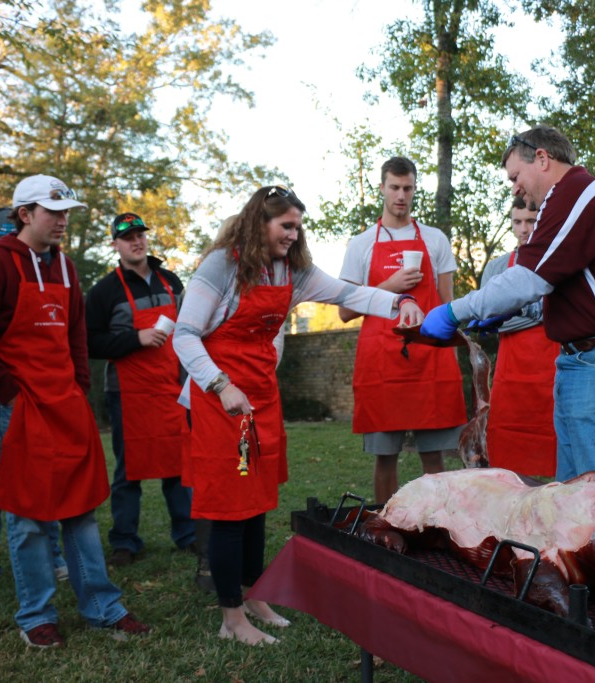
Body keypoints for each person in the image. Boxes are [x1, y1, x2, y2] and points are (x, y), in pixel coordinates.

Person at [172, 185, 424, 646]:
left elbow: (350, 293)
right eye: (285, 225)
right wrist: (221, 384)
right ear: (259, 223)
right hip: (218, 399)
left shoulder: (294, 271)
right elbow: (185, 335)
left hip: (261, 396)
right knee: (231, 508)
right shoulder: (222, 266)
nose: (293, 234)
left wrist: (399, 302)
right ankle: (231, 617)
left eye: (297, 226)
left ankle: (253, 594)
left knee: (258, 503)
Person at [0, 175, 150, 648]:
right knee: (26, 516)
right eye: (53, 211)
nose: (63, 220)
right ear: (24, 214)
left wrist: (79, 392)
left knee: (81, 510)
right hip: (18, 407)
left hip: (65, 405)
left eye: (66, 212)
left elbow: (77, 342)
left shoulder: (66, 268)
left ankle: (103, 607)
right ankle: (36, 615)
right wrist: (9, 395)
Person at [420, 125, 595, 481]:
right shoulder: (569, 199)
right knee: (575, 496)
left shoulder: (578, 193)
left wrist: (455, 310)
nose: (515, 187)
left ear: (543, 158)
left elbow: (529, 277)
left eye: (516, 175)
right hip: (590, 361)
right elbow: (561, 280)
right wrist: (507, 310)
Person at [338, 156, 466, 504]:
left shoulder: (436, 240)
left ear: (414, 190)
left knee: (434, 456)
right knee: (385, 455)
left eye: (407, 188)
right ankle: (386, 523)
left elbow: (446, 302)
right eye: (394, 187)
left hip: (429, 357)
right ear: (382, 188)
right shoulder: (360, 244)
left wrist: (457, 342)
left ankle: (438, 525)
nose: (401, 195)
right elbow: (345, 310)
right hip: (381, 362)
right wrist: (389, 284)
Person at [0, 207, 67, 598]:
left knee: (38, 477)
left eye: (10, 231)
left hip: (26, 397)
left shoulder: (45, 271)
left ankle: (53, 556)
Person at [85, 212, 200, 570]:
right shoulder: (105, 291)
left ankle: (188, 534)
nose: (136, 241)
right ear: (115, 244)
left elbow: (190, 329)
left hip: (171, 387)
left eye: (140, 235)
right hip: (128, 394)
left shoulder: (170, 280)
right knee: (128, 469)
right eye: (127, 236)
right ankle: (124, 540)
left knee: (178, 465)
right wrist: (136, 338)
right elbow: (89, 342)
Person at [477, 196, 560, 476]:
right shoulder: (497, 268)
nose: (524, 229)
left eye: (531, 222)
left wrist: (512, 310)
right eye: (518, 222)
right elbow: (485, 319)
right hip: (511, 377)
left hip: (555, 375)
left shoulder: (562, 262)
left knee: (559, 462)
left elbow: (571, 320)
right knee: (508, 463)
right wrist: (537, 313)